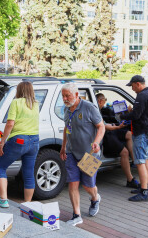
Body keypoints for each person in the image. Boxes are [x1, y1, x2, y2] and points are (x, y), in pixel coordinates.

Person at [60, 83, 105, 226]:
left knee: (87, 186)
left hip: (90, 154)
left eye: (68, 95)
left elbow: (101, 126)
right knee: (73, 183)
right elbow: (67, 129)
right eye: (63, 96)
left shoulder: (89, 107)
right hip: (71, 152)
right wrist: (63, 147)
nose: (65, 98)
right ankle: (76, 215)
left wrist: (97, 142)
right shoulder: (67, 110)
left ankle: (95, 198)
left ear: (77, 95)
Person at [0, 82, 39, 208]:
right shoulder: (35, 104)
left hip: (19, 140)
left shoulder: (16, 102)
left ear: (19, 91)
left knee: (0, 166)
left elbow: (10, 124)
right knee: (29, 172)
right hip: (35, 140)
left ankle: (3, 200)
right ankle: (27, 205)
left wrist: (2, 141)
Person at [120, 75, 148, 202]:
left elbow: (136, 115)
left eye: (132, 86)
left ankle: (144, 193)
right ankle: (146, 186)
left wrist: (124, 115)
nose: (132, 89)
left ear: (138, 84)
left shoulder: (141, 96)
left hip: (141, 132)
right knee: (145, 160)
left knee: (140, 162)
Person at [96, 93, 139, 188]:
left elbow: (106, 123)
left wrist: (116, 125)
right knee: (124, 153)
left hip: (109, 129)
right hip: (106, 134)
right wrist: (117, 127)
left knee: (128, 134)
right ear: (100, 101)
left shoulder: (99, 109)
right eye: (105, 100)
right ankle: (130, 179)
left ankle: (135, 162)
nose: (105, 102)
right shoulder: (95, 110)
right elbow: (104, 126)